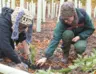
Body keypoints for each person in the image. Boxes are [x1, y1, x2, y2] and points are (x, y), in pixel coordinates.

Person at [36, 2, 95, 66]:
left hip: (80, 37)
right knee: (67, 34)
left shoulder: (83, 15)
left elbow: (90, 29)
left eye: (67, 18)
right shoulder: (62, 22)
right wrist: (45, 56)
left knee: (80, 47)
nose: (65, 21)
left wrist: (80, 36)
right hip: (68, 37)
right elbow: (55, 38)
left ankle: (78, 54)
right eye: (64, 19)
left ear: (73, 14)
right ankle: (65, 54)